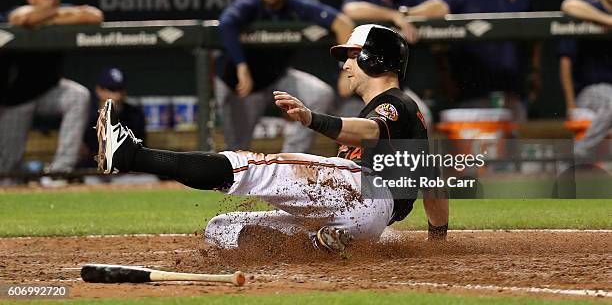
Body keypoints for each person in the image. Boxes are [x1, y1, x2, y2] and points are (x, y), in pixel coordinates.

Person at [95, 24, 449, 252]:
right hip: (363, 222)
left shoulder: (396, 103)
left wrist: (312, 119)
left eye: (353, 56)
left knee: (251, 165)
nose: (346, 65)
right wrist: (437, 238)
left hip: (363, 193)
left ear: (376, 58)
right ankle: (320, 244)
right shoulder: (404, 114)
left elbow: (371, 131)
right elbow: (433, 183)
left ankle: (130, 156)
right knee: (222, 229)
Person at [216, 0, 354, 153]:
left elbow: (343, 23)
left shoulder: (295, 6)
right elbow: (226, 24)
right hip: (243, 85)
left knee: (320, 94)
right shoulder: (249, 5)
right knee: (238, 150)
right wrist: (241, 65)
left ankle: (290, 160)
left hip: (277, 78)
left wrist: (345, 69)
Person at [0, 0, 103, 178]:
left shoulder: (58, 10)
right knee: (7, 170)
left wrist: (50, 17)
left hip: (50, 91)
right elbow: (22, 18)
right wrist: (62, 16)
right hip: (16, 99)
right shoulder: (16, 11)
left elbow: (95, 15)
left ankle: (60, 172)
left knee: (78, 95)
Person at [439, 0, 539, 121]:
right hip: (472, 85)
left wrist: (535, 71)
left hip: (512, 84)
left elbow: (535, 33)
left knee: (512, 146)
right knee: (478, 148)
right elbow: (440, 38)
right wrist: (445, 75)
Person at [340, 0, 449, 126]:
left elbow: (441, 7)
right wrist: (394, 17)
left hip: (394, 87)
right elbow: (350, 9)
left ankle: (409, 156)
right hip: (359, 88)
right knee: (351, 124)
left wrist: (405, 13)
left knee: (423, 119)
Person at [559, 0, 612, 158]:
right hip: (591, 91)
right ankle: (580, 151)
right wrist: (608, 21)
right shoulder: (593, 8)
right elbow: (568, 5)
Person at [81, 68, 146, 168]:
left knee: (148, 179)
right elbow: (91, 149)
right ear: (99, 91)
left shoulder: (134, 114)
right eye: (112, 90)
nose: (117, 95)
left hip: (127, 170)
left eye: (120, 90)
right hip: (94, 170)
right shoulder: (88, 114)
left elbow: (137, 146)